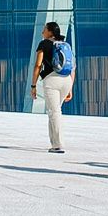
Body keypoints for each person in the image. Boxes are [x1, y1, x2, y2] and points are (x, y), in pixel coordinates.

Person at [28, 21, 73, 153]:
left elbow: (38, 65)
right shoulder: (64, 44)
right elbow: (72, 66)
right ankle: (54, 143)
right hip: (66, 80)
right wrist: (70, 88)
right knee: (54, 111)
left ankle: (58, 145)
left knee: (54, 112)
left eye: (45, 30)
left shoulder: (44, 44)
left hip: (52, 80)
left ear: (50, 32)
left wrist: (33, 85)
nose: (43, 32)